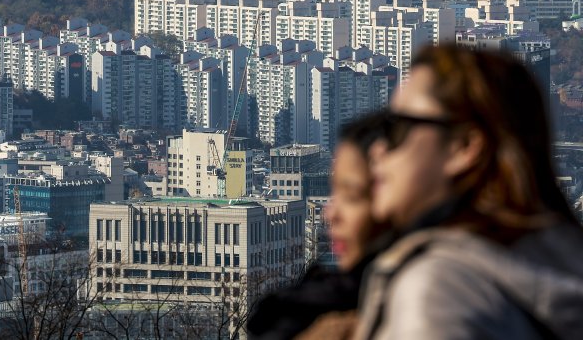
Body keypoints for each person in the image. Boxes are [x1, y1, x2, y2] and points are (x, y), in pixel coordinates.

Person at [354, 45, 583, 340]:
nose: (377, 149)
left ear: (464, 147)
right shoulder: (554, 262)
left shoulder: (438, 290)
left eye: (397, 128)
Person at [247, 113, 388, 340]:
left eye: (351, 197)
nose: (330, 214)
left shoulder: (414, 303)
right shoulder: (333, 299)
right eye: (335, 194)